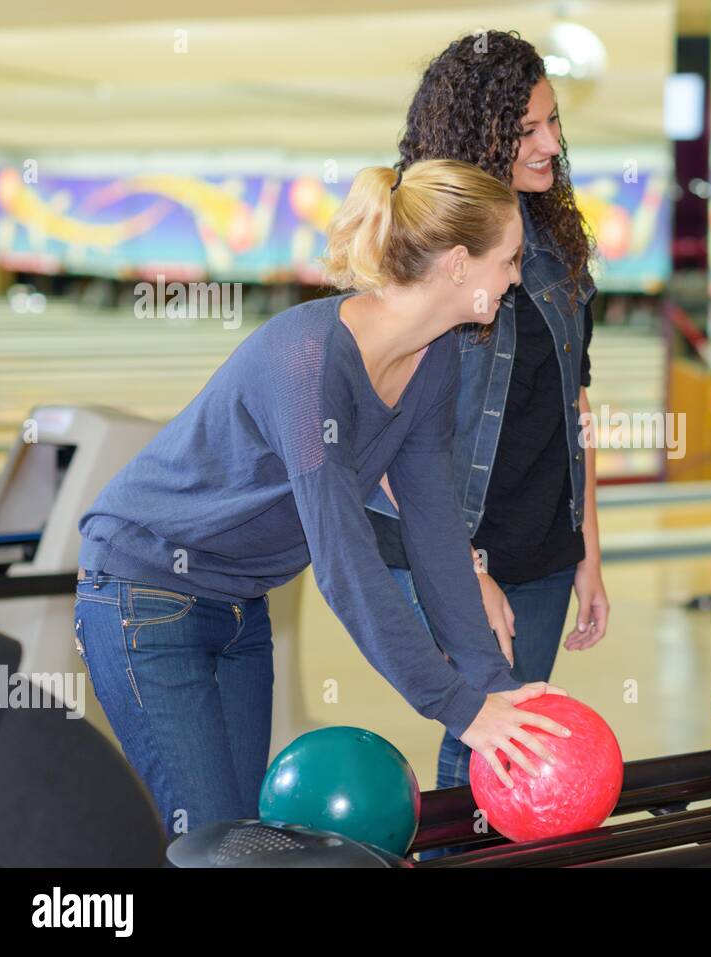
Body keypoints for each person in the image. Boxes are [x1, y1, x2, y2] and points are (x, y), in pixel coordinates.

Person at [74, 159, 568, 839]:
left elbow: (433, 531)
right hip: (145, 591)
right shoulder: (308, 363)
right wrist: (456, 705)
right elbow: (346, 565)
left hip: (242, 604)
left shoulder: (439, 356)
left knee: (237, 833)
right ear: (458, 264)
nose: (516, 277)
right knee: (213, 842)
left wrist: (491, 683)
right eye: (509, 260)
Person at [366, 31, 608, 804]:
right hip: (446, 533)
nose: (552, 144)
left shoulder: (557, 246)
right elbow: (381, 425)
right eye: (528, 129)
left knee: (514, 738)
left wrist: (588, 550)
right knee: (481, 731)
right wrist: (466, 567)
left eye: (554, 122)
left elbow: (574, 407)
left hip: (541, 542)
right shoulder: (431, 247)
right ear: (480, 132)